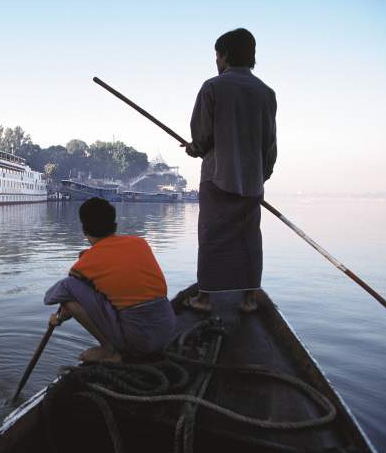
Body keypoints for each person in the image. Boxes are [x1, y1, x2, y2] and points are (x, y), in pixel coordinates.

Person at [183, 28, 277, 313]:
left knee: (212, 237)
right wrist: (262, 175)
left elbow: (201, 137)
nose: (216, 61)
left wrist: (193, 148)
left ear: (224, 55)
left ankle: (205, 299)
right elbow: (269, 142)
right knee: (249, 238)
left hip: (217, 177)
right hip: (251, 181)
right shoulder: (266, 92)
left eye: (216, 55)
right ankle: (248, 299)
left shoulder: (213, 87)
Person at [43, 197, 176, 363]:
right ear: (115, 225)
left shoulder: (85, 263)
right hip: (167, 329)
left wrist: (58, 318)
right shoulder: (140, 243)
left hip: (139, 342)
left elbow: (50, 298)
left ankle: (109, 350)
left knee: (70, 289)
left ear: (84, 230)